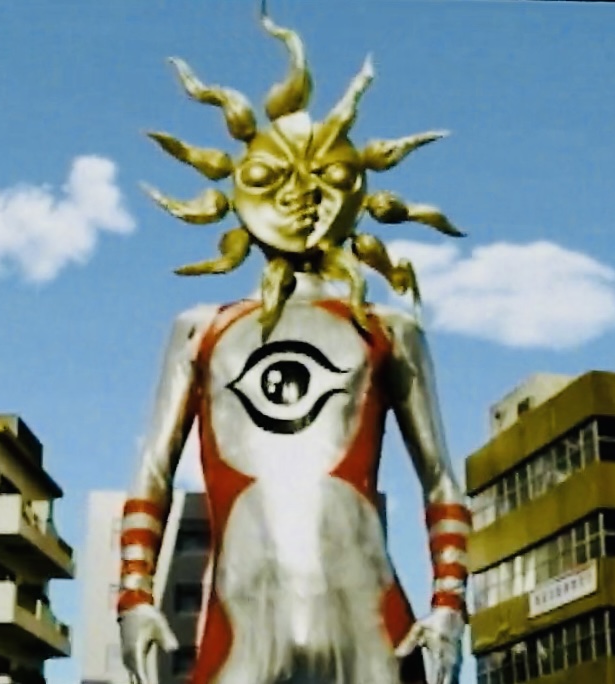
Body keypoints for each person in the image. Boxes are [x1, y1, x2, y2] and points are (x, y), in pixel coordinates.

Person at [118, 5, 471, 683]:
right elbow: (152, 472)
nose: (301, 196)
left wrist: (449, 606)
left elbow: (441, 479)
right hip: (241, 635)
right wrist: (134, 597)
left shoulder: (388, 330)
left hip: (374, 636)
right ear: (236, 186)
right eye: (270, 176)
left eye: (328, 176)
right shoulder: (201, 328)